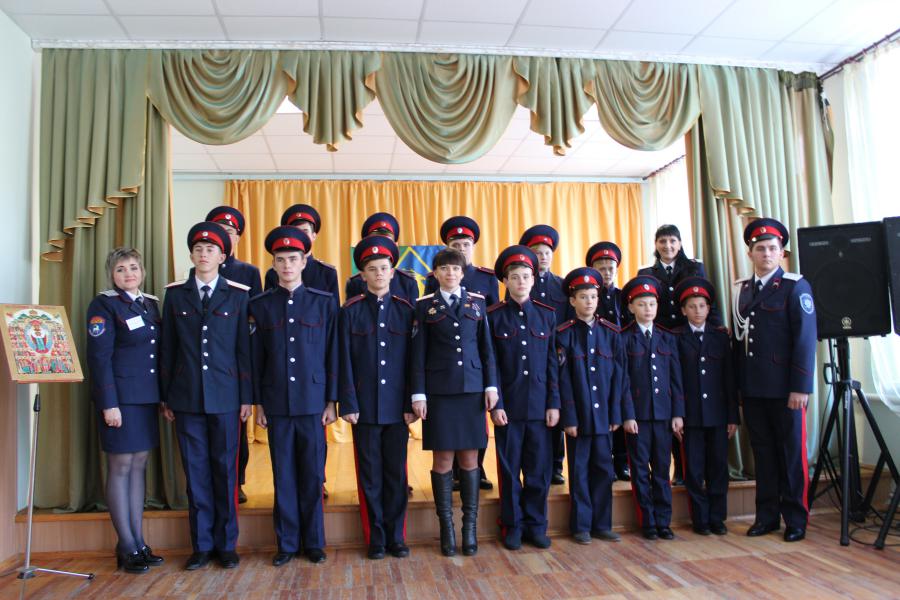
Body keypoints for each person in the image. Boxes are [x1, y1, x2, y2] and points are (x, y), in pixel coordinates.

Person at [159, 222, 252, 571]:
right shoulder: (175, 295)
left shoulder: (238, 295)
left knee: (225, 471)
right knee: (195, 472)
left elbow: (244, 351)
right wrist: (166, 396)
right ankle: (201, 545)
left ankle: (226, 545)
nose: (203, 254)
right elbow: (167, 350)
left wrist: (246, 397)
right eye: (198, 249)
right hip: (186, 398)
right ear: (191, 255)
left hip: (226, 397)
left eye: (211, 249)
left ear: (222, 256)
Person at [250, 226, 338, 566]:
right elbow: (256, 359)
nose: (287, 265)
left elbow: (332, 355)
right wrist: (259, 403)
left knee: (313, 474)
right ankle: (286, 543)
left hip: (313, 401)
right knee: (283, 474)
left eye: (293, 259)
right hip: (276, 402)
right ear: (273, 265)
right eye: (281, 260)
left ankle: (314, 542)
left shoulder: (323, 302)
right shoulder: (261, 305)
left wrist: (331, 401)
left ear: (304, 262)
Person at [732, 218, 817, 543]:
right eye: (760, 248)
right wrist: (739, 387)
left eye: (772, 248)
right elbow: (740, 343)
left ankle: (796, 518)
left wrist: (800, 387)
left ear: (782, 253)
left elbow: (805, 340)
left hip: (786, 390)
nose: (766, 253)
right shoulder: (742, 289)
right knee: (763, 454)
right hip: (754, 388)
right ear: (750, 253)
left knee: (791, 454)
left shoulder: (796, 287)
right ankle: (766, 516)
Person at [411, 248, 498, 557]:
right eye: (444, 269)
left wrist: (491, 386)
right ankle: (446, 529)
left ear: (463, 273)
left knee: (471, 460)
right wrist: (418, 393)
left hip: (472, 391)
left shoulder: (477, 302)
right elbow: (418, 353)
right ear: (435, 273)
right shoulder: (424, 306)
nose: (450, 273)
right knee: (443, 461)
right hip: (439, 393)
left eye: (455, 269)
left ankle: (469, 529)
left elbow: (487, 349)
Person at [86, 247, 165, 574]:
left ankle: (139, 543)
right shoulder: (104, 305)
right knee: (120, 467)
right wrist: (109, 404)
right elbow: (99, 358)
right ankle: (127, 545)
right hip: (120, 401)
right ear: (112, 275)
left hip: (146, 398)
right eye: (121, 269)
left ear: (142, 271)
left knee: (139, 465)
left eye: (133, 267)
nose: (128, 274)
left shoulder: (150, 304)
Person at [339, 236, 415, 560]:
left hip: (398, 409)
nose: (379, 274)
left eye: (384, 268)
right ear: (363, 275)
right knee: (370, 476)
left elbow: (413, 362)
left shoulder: (406, 311)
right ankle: (376, 538)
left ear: (393, 272)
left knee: (396, 475)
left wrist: (411, 403)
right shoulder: (350, 311)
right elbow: (343, 360)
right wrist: (348, 403)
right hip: (365, 408)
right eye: (372, 269)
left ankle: (397, 536)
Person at [488, 245, 559, 550]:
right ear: (505, 281)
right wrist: (497, 406)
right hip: (509, 408)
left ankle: (536, 525)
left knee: (539, 471)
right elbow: (491, 364)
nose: (521, 282)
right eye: (515, 277)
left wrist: (554, 403)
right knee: (509, 471)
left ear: (533, 280)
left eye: (526, 276)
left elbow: (553, 364)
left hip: (540, 407)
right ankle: (512, 526)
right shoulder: (493, 317)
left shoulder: (547, 315)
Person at [556, 267, 631, 545]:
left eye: (593, 297)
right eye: (583, 297)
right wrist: (569, 418)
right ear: (572, 301)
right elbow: (562, 381)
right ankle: (581, 526)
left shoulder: (611, 334)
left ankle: (602, 524)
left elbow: (619, 378)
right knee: (579, 472)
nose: (588, 302)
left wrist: (616, 414)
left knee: (603, 470)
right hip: (579, 418)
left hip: (604, 417)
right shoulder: (563, 334)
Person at [424, 216, 498, 491]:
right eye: (456, 245)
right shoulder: (435, 278)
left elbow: (491, 320)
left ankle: (477, 470)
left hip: (474, 362)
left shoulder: (487, 278)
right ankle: (454, 475)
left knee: (475, 432)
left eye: (466, 244)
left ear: (473, 246)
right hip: (444, 371)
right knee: (445, 441)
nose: (462, 249)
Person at [638, 225, 715, 487]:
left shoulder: (694, 268)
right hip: (660, 346)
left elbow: (707, 302)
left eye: (672, 241)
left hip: (690, 341)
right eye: (662, 241)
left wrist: (716, 330)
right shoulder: (646, 273)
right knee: (668, 403)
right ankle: (677, 469)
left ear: (680, 243)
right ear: (656, 244)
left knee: (690, 403)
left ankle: (693, 468)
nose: (667, 246)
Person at [620, 275, 684, 541]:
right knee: (639, 470)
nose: (647, 309)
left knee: (662, 469)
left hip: (664, 415)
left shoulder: (667, 338)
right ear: (631, 307)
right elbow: (622, 381)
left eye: (652, 304)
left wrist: (678, 413)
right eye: (641, 304)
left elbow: (676, 380)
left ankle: (663, 521)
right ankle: (647, 521)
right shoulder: (624, 338)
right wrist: (627, 415)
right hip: (638, 417)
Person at [205, 205, 262, 505]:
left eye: (230, 232)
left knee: (237, 429)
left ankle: (237, 480)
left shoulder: (248, 272)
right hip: (208, 361)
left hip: (239, 360)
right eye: (219, 231)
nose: (225, 236)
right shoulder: (198, 270)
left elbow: (256, 319)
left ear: (237, 238)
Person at [673, 277, 739, 536]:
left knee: (718, 467)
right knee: (694, 469)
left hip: (718, 415)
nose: (697, 311)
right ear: (683, 310)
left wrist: (732, 416)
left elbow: (730, 379)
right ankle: (700, 518)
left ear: (709, 308)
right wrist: (678, 414)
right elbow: (675, 381)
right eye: (692, 306)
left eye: (702, 306)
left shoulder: (720, 337)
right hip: (691, 417)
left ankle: (717, 517)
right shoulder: (676, 338)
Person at [518, 225, 570, 486]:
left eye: (547, 252)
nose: (543, 257)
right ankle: (532, 465)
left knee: (556, 411)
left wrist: (562, 351)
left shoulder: (562, 286)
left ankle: (556, 465)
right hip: (530, 357)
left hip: (557, 358)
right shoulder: (521, 282)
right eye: (537, 253)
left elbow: (568, 322)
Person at [586, 240, 632, 482]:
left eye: (610, 268)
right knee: (603, 412)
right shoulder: (588, 297)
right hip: (598, 362)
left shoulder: (624, 297)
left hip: (623, 361)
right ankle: (605, 462)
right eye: (601, 268)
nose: (606, 273)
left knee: (622, 409)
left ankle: (622, 462)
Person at [264, 204, 340, 309]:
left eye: (305, 231)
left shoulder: (327, 273)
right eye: (296, 231)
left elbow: (334, 312)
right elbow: (267, 308)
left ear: (314, 235)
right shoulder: (273, 273)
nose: (301, 236)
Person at [345, 212, 419, 303]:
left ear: (394, 246)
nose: (381, 245)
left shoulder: (407, 282)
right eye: (377, 241)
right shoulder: (355, 283)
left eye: (386, 243)